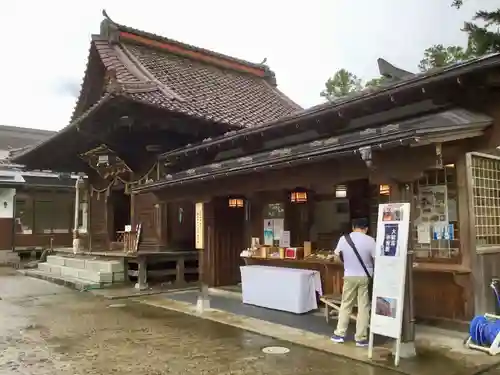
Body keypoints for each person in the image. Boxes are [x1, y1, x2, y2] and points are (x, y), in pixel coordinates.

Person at [331, 217, 375, 347]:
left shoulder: (344, 239)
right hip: (365, 277)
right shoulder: (370, 240)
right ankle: (361, 338)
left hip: (349, 275)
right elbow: (377, 258)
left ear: (353, 227)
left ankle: (339, 334)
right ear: (366, 229)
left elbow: (336, 257)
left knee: (346, 304)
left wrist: (346, 265)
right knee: (364, 306)